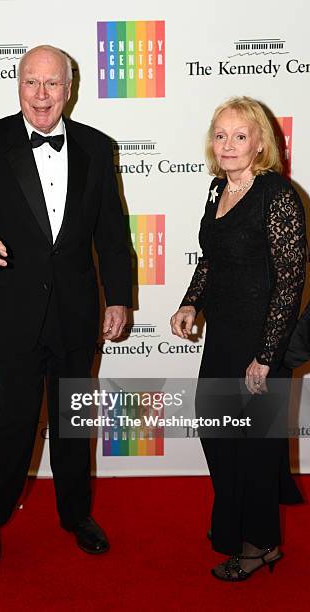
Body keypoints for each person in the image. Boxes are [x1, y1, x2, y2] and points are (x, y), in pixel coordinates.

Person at [0, 45, 132, 565]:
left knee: (73, 420)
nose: (42, 95)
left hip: (75, 311)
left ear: (69, 89)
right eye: (32, 82)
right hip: (12, 311)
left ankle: (76, 514)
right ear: (18, 85)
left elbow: (113, 235)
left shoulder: (97, 146)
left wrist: (117, 297)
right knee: (17, 418)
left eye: (53, 84)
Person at [170, 96, 306, 581]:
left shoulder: (278, 196)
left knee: (253, 448)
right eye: (220, 135)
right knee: (217, 434)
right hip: (223, 336)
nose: (227, 145)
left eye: (240, 136)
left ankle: (259, 544)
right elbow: (211, 259)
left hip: (260, 341)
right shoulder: (215, 190)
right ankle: (235, 526)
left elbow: (290, 282)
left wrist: (266, 357)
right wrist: (191, 303)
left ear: (260, 143)